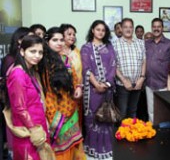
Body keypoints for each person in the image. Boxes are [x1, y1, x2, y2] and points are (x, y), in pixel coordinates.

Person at [41, 27, 85, 159]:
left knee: (72, 145)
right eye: (55, 40)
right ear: (47, 42)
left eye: (61, 40)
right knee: (58, 147)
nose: (59, 43)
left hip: (71, 107)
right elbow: (45, 88)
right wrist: (52, 115)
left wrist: (78, 87)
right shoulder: (43, 61)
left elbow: (75, 79)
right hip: (54, 109)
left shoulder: (66, 58)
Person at [6, 35, 49, 159]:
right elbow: (19, 108)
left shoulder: (30, 71)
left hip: (37, 124)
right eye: (32, 51)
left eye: (40, 52)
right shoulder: (18, 74)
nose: (37, 56)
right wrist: (34, 129)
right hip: (28, 129)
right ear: (22, 51)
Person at [81, 20, 116, 159]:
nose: (100, 32)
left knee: (105, 117)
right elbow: (86, 69)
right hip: (92, 90)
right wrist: (96, 85)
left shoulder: (109, 47)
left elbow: (113, 66)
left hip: (107, 89)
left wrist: (106, 84)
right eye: (98, 29)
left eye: (103, 30)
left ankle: (106, 148)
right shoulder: (86, 48)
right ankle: (93, 148)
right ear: (92, 31)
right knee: (92, 118)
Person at [113, 18, 146, 119]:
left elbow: (144, 61)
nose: (128, 29)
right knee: (122, 112)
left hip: (137, 84)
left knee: (133, 111)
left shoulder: (140, 43)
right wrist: (124, 80)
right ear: (121, 29)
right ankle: (122, 134)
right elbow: (112, 65)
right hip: (122, 84)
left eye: (130, 27)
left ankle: (132, 134)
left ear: (133, 28)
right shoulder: (114, 44)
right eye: (125, 27)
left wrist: (142, 78)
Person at [145, 18, 170, 122]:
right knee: (151, 110)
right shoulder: (146, 43)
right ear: (152, 28)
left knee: (163, 110)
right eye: (154, 26)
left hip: (163, 83)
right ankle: (151, 130)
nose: (156, 29)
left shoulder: (169, 44)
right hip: (149, 82)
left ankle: (162, 133)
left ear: (162, 28)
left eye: (158, 26)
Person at [60, 23, 83, 126]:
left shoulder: (77, 51)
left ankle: (77, 141)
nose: (72, 37)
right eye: (69, 34)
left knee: (77, 118)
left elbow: (82, 71)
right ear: (62, 35)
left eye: (74, 34)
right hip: (62, 92)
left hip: (77, 90)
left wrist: (80, 87)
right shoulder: (56, 52)